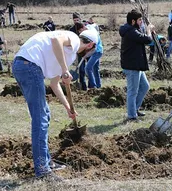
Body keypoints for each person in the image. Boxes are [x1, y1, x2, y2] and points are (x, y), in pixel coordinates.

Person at [12, 29, 98, 179]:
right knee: (41, 119)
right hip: (29, 65)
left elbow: (54, 84)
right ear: (90, 45)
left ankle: (46, 162)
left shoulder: (66, 54)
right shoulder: (74, 39)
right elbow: (55, 40)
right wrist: (65, 70)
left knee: (44, 115)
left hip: (22, 65)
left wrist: (68, 108)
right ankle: (42, 170)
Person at [120, 9, 153, 121]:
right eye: (140, 20)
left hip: (136, 65)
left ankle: (135, 109)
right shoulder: (130, 32)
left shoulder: (132, 29)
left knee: (145, 86)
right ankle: (131, 115)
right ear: (133, 21)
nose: (141, 22)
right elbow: (147, 39)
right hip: (132, 66)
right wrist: (149, 30)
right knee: (132, 91)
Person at [85, 24, 103, 88]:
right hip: (98, 51)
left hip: (97, 52)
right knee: (95, 69)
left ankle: (93, 86)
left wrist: (86, 54)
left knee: (87, 68)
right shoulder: (92, 31)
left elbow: (93, 47)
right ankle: (98, 85)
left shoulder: (91, 33)